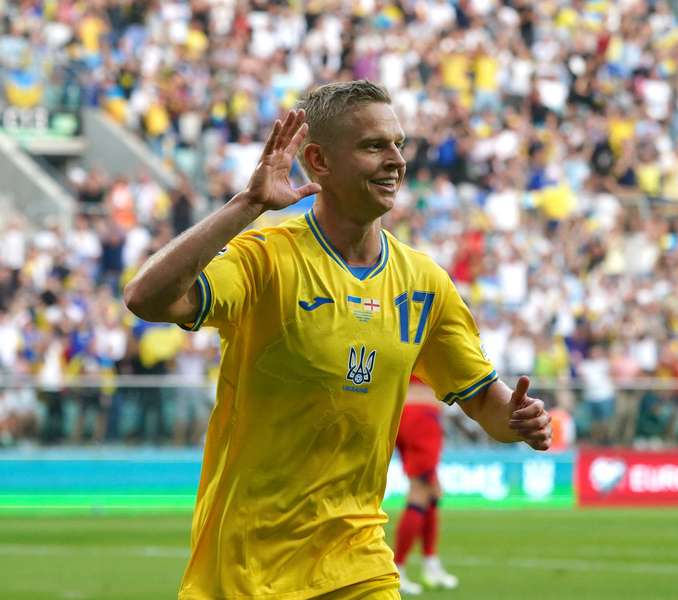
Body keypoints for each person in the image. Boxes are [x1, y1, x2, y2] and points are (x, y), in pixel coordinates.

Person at [124, 80, 552, 600]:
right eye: (374, 146)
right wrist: (249, 204)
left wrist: (516, 418)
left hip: (359, 564)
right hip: (245, 569)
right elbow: (147, 297)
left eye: (398, 144)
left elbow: (484, 399)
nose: (396, 160)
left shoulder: (425, 283)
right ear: (319, 163)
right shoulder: (266, 259)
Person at [392, 376, 457, 595]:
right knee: (421, 491)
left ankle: (430, 563)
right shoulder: (431, 340)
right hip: (423, 414)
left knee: (430, 490)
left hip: (400, 411)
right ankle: (397, 570)